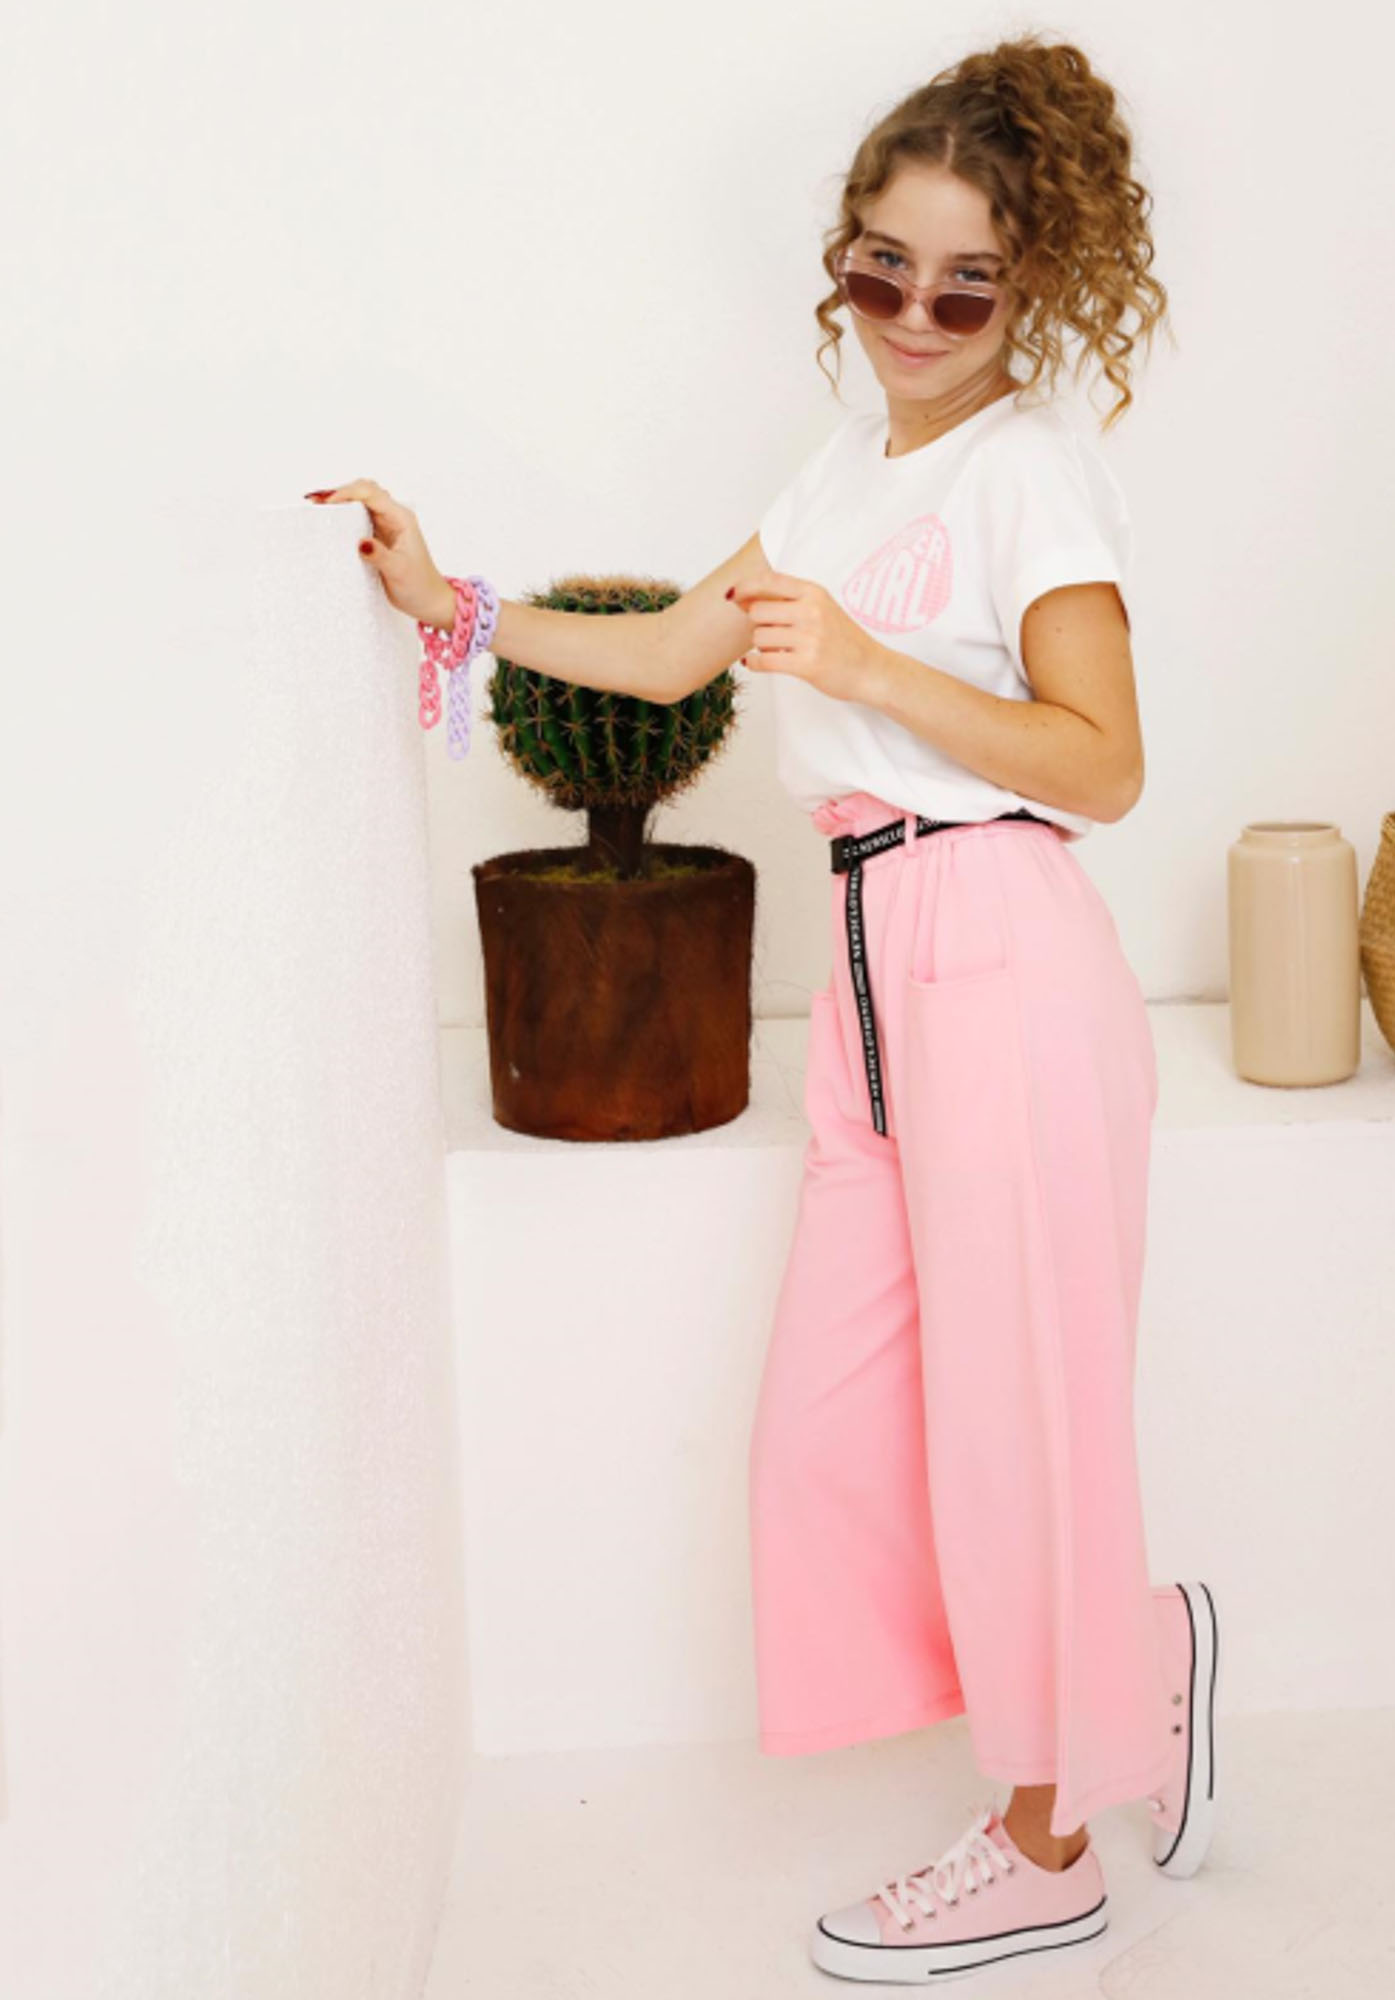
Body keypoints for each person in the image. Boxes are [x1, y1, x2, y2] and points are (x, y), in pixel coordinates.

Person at [309, 32, 1218, 1983]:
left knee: (1015, 1421)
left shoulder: (1029, 473)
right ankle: (1139, 1658)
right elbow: (661, 652)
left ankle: (1051, 1841)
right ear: (843, 259)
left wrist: (875, 668)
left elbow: (1105, 760)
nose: (914, 316)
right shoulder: (842, 470)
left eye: (965, 285)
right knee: (833, 1424)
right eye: (881, 268)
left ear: (1033, 289)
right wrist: (448, 603)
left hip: (996, 943)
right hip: (875, 969)